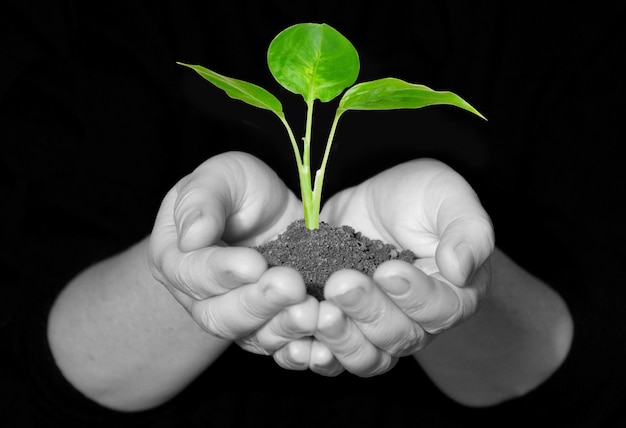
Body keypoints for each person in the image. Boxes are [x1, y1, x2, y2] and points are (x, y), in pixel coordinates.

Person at [1, 1, 624, 427]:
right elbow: (34, 351)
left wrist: (467, 281)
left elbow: (590, 374)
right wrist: (195, 262)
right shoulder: (101, 22)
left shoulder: (555, 26)